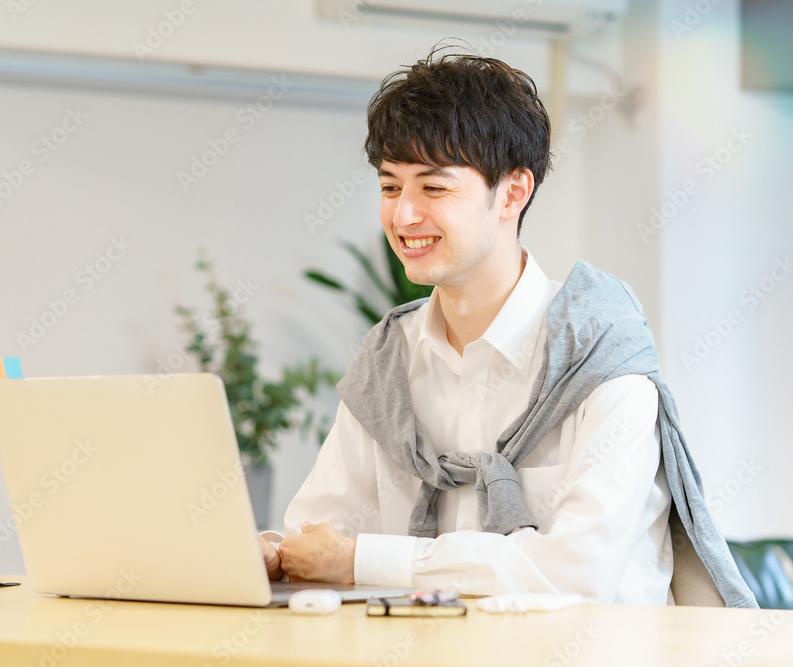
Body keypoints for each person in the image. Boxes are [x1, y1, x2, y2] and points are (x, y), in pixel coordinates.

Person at [257, 48, 755, 607]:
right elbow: (320, 533)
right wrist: (274, 554)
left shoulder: (603, 358)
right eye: (390, 187)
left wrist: (359, 560)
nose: (402, 216)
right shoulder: (388, 360)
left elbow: (577, 573)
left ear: (513, 192)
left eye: (434, 188)